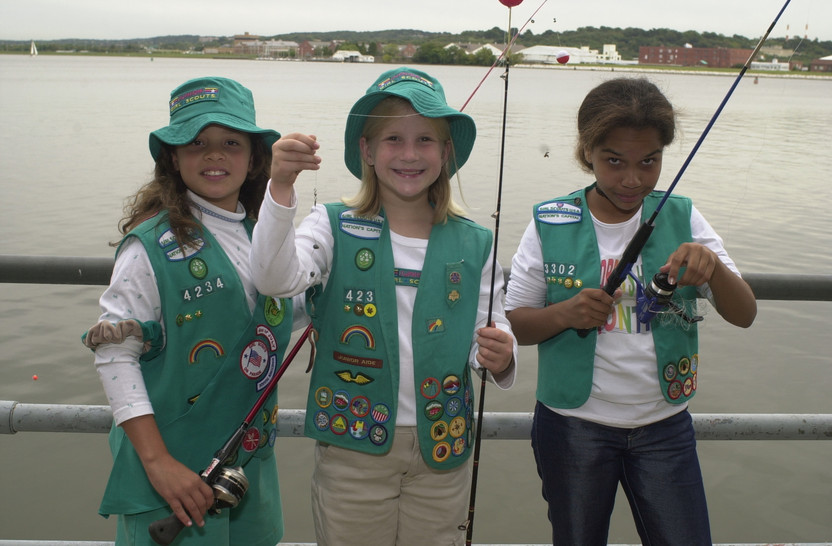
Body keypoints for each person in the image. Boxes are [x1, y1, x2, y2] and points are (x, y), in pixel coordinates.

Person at [250, 66, 518, 546]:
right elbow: (273, 278)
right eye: (393, 138)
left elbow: (485, 331)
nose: (410, 154)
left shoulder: (477, 241)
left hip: (445, 447)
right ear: (367, 151)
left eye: (426, 140)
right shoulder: (330, 225)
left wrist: (500, 355)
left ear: (446, 153)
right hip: (351, 449)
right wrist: (280, 189)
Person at [505, 77, 757, 545]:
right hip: (570, 426)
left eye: (649, 162)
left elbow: (744, 313)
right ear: (588, 153)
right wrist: (564, 314)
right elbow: (516, 324)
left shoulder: (683, 215)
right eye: (613, 161)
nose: (633, 179)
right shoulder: (549, 220)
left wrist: (713, 271)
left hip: (665, 424)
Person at [82, 76, 306, 546]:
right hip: (170, 475)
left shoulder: (265, 234)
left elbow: (282, 308)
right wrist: (159, 464)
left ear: (253, 159)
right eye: (196, 142)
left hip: (248, 471)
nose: (214, 154)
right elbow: (114, 355)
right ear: (173, 158)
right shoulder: (147, 247)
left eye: (231, 142)